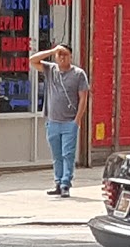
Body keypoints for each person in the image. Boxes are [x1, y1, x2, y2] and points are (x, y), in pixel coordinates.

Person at [27, 43, 90, 198]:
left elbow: (83, 98)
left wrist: (77, 120)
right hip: (53, 121)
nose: (62, 57)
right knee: (56, 155)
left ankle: (65, 184)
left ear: (71, 56)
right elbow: (32, 60)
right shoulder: (51, 70)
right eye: (59, 54)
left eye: (65, 54)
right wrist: (52, 50)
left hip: (69, 122)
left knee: (67, 154)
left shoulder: (78, 74)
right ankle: (57, 182)